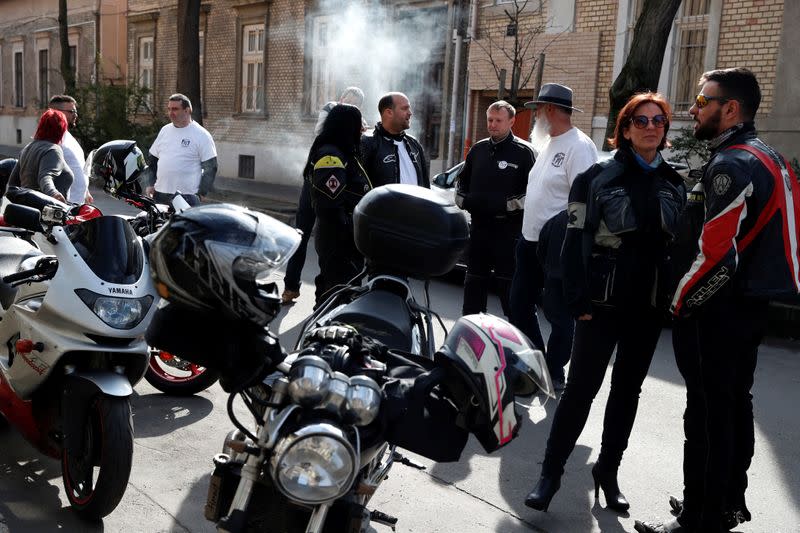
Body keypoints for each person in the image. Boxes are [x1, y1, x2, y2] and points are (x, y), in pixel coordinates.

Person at [634, 69, 800, 533]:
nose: (693, 109)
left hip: (719, 311)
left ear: (730, 109)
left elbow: (715, 257)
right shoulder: (772, 157)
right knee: (733, 405)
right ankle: (724, 501)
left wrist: (678, 302)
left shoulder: (732, 164)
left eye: (703, 101)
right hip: (751, 307)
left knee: (706, 415)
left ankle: (698, 517)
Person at [525, 92, 686, 514]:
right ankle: (550, 474)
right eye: (641, 120)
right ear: (626, 129)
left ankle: (608, 471)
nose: (651, 127)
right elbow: (573, 242)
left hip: (647, 310)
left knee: (626, 394)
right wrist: (577, 299)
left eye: (658, 121)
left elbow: (679, 249)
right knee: (580, 391)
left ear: (665, 130)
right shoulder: (595, 178)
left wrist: (671, 300)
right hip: (599, 305)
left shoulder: (675, 183)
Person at [509, 83, 597, 390]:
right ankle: (539, 362)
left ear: (549, 110)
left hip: (558, 246)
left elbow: (584, 201)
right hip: (528, 241)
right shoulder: (547, 144)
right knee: (518, 304)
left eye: (537, 111)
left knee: (559, 315)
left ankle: (554, 369)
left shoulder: (579, 146)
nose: (534, 118)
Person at [282, 86, 366, 305]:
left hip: (330, 204)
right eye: (349, 101)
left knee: (330, 272)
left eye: (357, 103)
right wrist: (346, 225)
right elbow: (330, 208)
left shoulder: (347, 128)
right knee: (303, 234)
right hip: (318, 192)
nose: (352, 105)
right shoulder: (332, 112)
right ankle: (291, 285)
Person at [455, 100, 534, 317]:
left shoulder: (525, 153)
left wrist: (501, 205)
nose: (492, 124)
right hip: (479, 232)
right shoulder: (478, 150)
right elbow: (460, 185)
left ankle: (518, 344)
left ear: (512, 121)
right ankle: (470, 340)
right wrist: (467, 201)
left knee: (511, 298)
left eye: (498, 120)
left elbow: (534, 194)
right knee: (473, 291)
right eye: (490, 119)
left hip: (508, 235)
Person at [307, 104, 373, 306]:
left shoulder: (344, 153)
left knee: (336, 290)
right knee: (336, 297)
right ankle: (324, 334)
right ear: (347, 126)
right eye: (359, 124)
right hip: (338, 240)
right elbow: (329, 206)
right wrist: (348, 231)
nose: (362, 129)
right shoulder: (331, 156)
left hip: (344, 240)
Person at [144, 93, 217, 207]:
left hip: (187, 197)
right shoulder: (165, 130)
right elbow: (153, 160)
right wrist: (150, 183)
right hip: (161, 194)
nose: (170, 113)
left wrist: (202, 193)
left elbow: (211, 166)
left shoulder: (201, 135)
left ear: (187, 110)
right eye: (169, 109)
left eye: (175, 109)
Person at [361, 92, 429, 188]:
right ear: (389, 112)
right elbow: (359, 186)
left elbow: (425, 185)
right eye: (405, 108)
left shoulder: (414, 144)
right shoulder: (368, 143)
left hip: (415, 203)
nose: (410, 113)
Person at [6, 109, 73, 201]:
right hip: (47, 211)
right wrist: (54, 194)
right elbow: (45, 177)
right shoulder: (53, 149)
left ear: (41, 126)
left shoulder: (27, 148)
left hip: (29, 209)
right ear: (61, 129)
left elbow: (13, 184)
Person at [48, 95, 93, 204]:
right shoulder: (52, 138)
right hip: (64, 204)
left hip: (78, 203)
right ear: (57, 112)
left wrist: (85, 191)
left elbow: (77, 166)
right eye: (72, 111)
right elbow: (46, 173)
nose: (76, 115)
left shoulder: (68, 136)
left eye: (76, 111)